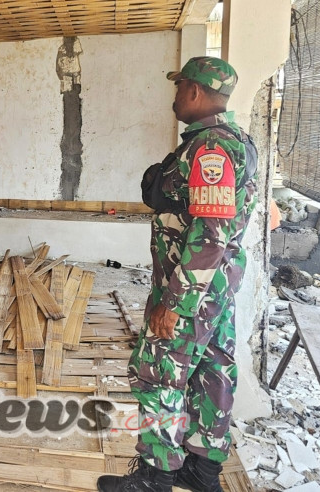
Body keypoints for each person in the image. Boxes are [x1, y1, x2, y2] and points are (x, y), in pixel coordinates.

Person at [97, 56, 258, 492]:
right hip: (217, 287)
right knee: (211, 367)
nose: (174, 96)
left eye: (178, 87)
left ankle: (156, 476)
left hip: (193, 287)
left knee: (157, 372)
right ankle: (201, 471)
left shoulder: (210, 149)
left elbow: (209, 234)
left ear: (194, 91)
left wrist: (173, 302)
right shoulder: (237, 140)